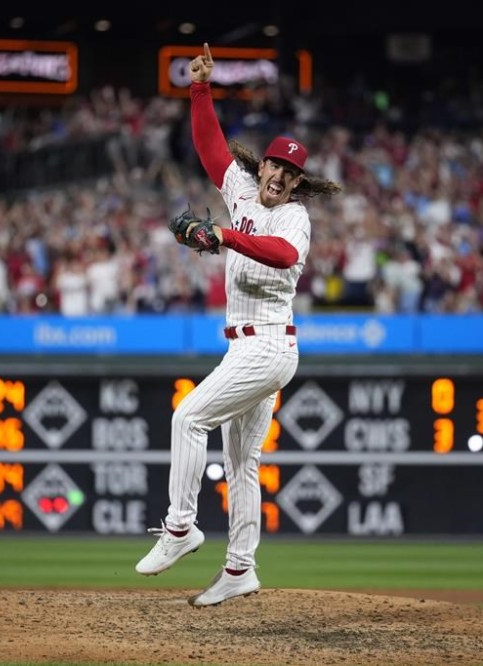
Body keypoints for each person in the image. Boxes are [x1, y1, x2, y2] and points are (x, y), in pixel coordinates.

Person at [135, 43, 341, 606]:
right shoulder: (242, 189)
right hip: (243, 350)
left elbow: (276, 253)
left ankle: (181, 527)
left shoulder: (294, 218)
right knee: (241, 464)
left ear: (297, 183)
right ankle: (240, 567)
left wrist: (223, 235)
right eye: (276, 164)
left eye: (291, 171)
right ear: (265, 166)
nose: (279, 175)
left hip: (270, 349)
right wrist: (199, 88)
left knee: (188, 417)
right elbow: (208, 147)